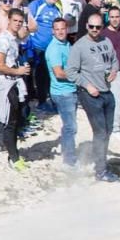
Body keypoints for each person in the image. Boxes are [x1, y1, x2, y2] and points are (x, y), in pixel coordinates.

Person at [66, 14, 120, 182]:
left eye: (98, 27)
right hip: (90, 94)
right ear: (87, 26)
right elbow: (71, 72)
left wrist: (113, 71)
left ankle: (102, 161)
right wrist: (87, 85)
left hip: (106, 92)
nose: (95, 30)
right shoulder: (80, 46)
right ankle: (100, 170)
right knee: (100, 132)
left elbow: (114, 60)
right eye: (91, 27)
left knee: (108, 130)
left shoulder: (106, 41)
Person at [0, 9, 32, 170]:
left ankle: (14, 155)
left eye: (20, 22)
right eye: (15, 21)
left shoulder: (14, 38)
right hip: (5, 85)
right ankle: (13, 158)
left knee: (17, 120)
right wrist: (18, 71)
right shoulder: (3, 40)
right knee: (10, 122)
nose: (18, 24)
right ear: (9, 20)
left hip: (14, 83)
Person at [45, 18, 79, 167]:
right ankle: (69, 161)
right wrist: (79, 76)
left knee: (69, 126)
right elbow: (59, 73)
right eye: (57, 29)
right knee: (70, 127)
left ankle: (68, 154)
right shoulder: (54, 48)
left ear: (67, 29)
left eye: (62, 28)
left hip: (70, 90)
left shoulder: (66, 44)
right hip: (63, 92)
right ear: (53, 31)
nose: (60, 31)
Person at [27, 0, 64, 113]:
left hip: (52, 48)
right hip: (37, 47)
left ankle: (52, 100)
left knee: (51, 74)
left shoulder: (57, 9)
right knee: (40, 75)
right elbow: (28, 22)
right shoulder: (36, 5)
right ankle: (41, 102)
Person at [101, 5, 120, 141]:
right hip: (112, 71)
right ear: (108, 18)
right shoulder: (104, 34)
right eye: (112, 17)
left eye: (117, 17)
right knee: (118, 100)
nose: (115, 19)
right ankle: (116, 128)